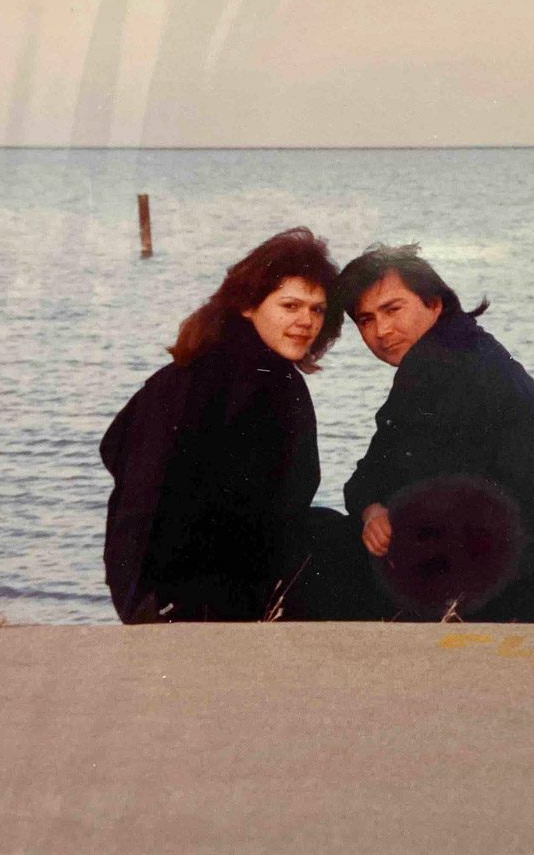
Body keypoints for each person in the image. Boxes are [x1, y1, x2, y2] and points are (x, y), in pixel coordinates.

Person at [332, 244, 534, 622]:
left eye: (393, 309)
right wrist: (372, 509)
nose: (382, 331)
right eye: (365, 320)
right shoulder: (450, 350)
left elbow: (416, 485)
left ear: (434, 304)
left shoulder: (451, 366)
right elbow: (373, 472)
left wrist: (376, 508)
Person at [100, 227, 360, 623]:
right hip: (195, 601)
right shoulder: (272, 383)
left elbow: (113, 444)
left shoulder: (189, 367)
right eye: (290, 306)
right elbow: (279, 501)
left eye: (317, 309)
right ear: (247, 306)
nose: (306, 321)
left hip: (140, 589)